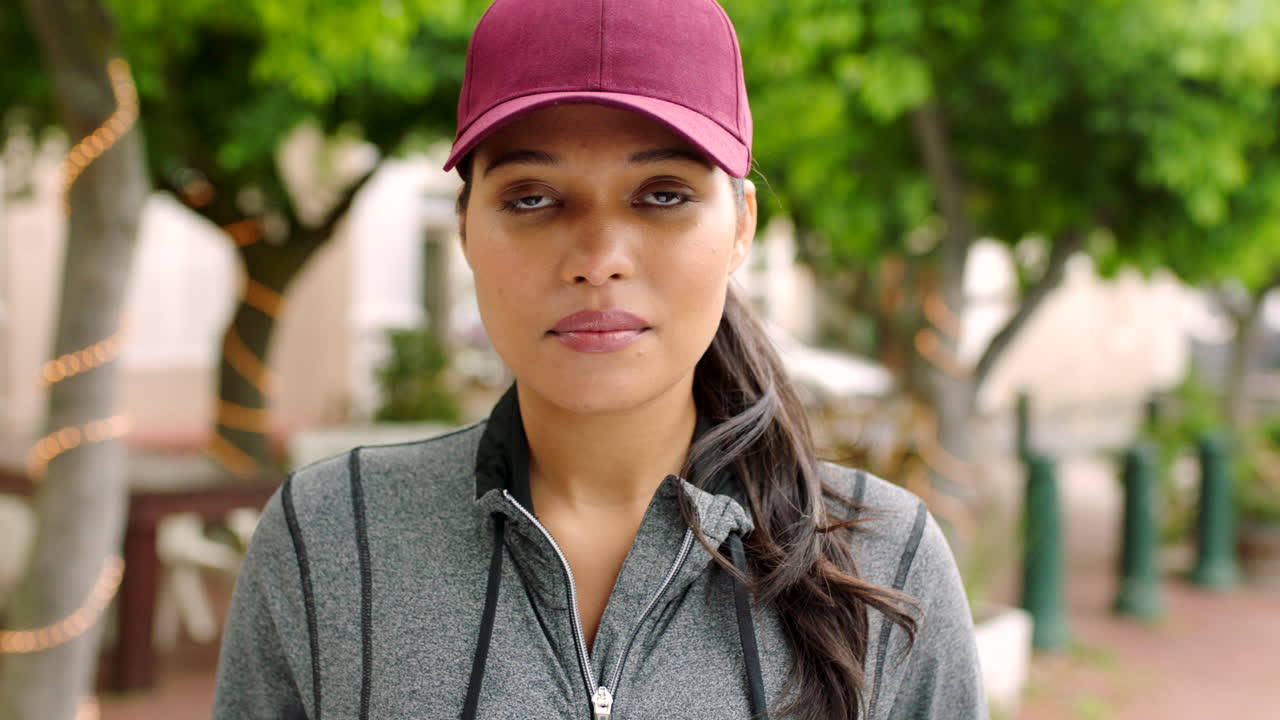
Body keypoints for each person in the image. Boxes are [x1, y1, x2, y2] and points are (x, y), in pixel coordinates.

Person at [211, 0, 986, 718]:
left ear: (742, 225)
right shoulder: (333, 540)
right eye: (532, 198)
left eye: (661, 195)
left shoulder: (885, 561)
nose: (598, 258)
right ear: (466, 230)